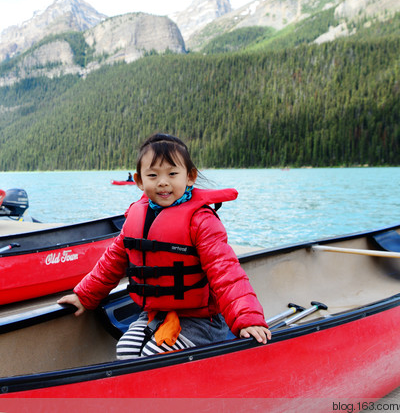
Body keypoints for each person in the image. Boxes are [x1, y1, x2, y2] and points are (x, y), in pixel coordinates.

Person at [58, 133, 270, 360]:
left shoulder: (202, 221)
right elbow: (111, 262)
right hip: (153, 314)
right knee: (125, 350)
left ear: (190, 177)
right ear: (139, 181)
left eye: (172, 173)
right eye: (152, 175)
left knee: (155, 355)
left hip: (200, 320)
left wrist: (247, 320)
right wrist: (84, 296)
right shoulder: (135, 217)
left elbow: (227, 273)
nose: (162, 182)